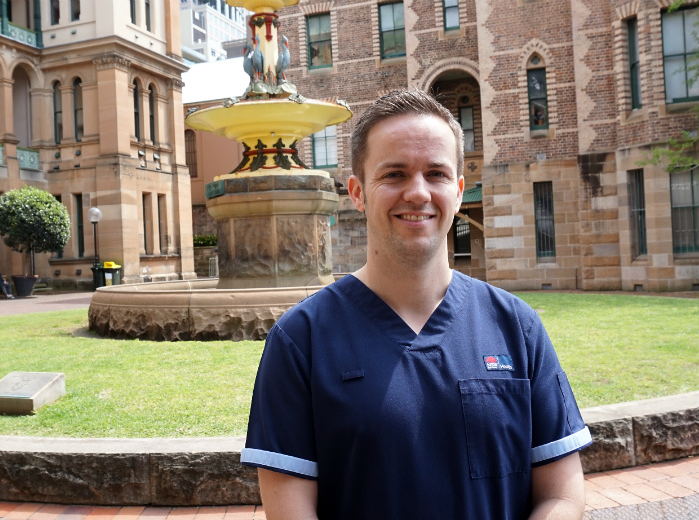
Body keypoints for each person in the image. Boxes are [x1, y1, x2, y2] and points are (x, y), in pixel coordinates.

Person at [241, 88, 592, 519]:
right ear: (357, 192)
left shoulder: (517, 328)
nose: (419, 193)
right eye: (394, 174)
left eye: (436, 174)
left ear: (459, 191)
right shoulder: (301, 341)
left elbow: (562, 495)